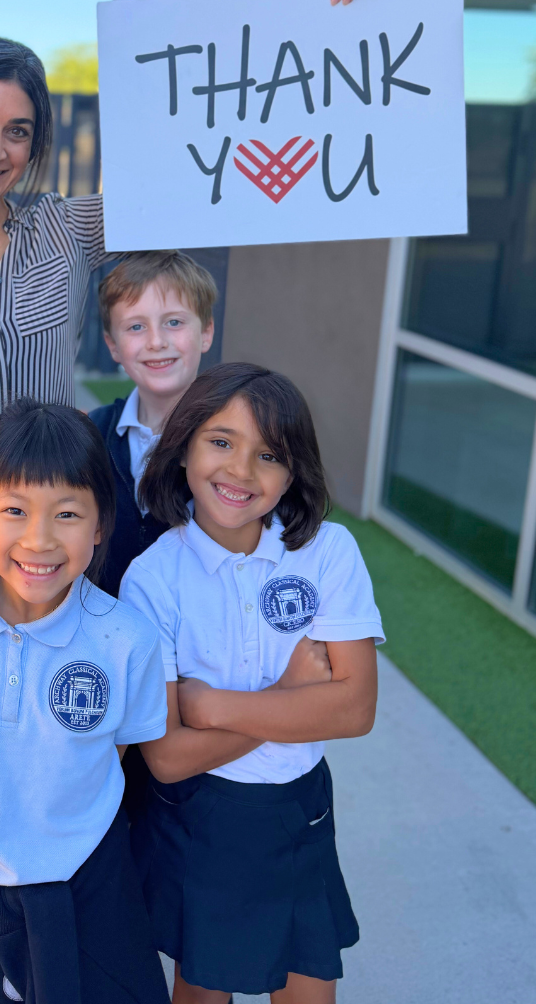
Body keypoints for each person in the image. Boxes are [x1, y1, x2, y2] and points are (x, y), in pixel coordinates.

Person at [0, 0, 388, 431]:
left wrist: (324, 32)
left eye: (17, 131)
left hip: (54, 515)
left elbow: (212, 182)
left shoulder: (67, 229)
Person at [121, 363, 384, 1004]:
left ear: (294, 473)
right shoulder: (152, 579)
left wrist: (209, 705)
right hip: (202, 820)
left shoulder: (327, 551)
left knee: (308, 985)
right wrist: (288, 696)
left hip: (300, 811)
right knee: (204, 987)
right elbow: (170, 758)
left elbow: (353, 710)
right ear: (182, 444)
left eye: (270, 455)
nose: (240, 471)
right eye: (221, 441)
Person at [0, 399, 170, 1003]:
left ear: (100, 527)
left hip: (89, 880)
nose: (39, 540)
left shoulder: (128, 639)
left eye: (67, 514)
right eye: (15, 510)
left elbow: (119, 747)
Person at [88, 250, 218, 599]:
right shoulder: (91, 436)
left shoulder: (232, 440)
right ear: (113, 345)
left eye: (174, 322)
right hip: (106, 637)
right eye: (136, 326)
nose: (156, 341)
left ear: (206, 332)